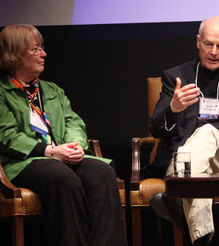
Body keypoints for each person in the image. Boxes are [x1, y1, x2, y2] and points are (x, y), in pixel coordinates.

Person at [0, 24, 126, 246]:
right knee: (61, 177)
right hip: (23, 162)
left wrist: (73, 145)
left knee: (102, 173)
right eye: (36, 49)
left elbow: (72, 121)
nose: (44, 54)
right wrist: (49, 151)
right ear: (15, 54)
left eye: (42, 48)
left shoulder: (51, 90)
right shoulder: (2, 92)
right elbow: (6, 134)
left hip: (62, 155)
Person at [147, 16, 219, 245]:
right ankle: (201, 236)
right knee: (194, 160)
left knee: (208, 132)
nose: (214, 51)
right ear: (198, 42)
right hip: (187, 161)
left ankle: (176, 193)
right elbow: (156, 129)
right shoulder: (176, 76)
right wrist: (173, 108)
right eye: (208, 44)